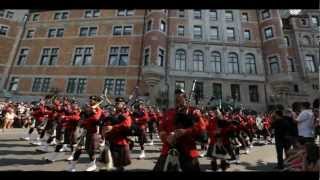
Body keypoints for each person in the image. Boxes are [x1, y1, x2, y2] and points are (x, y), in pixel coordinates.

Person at [153, 88, 206, 172]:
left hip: (188, 149)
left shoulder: (193, 112)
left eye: (180, 96)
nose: (177, 98)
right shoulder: (169, 112)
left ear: (185, 97)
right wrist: (166, 137)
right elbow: (161, 128)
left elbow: (201, 129)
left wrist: (185, 131)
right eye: (176, 96)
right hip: (169, 148)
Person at [67, 96, 102, 172]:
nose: (90, 101)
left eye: (92, 100)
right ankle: (72, 167)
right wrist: (78, 128)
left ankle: (93, 165)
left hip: (92, 132)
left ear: (96, 101)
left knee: (90, 151)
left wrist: (93, 111)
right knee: (78, 149)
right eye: (90, 99)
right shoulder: (86, 109)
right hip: (83, 131)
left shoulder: (98, 110)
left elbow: (96, 119)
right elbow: (80, 119)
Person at [100, 97, 132, 171]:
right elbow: (107, 123)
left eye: (119, 103)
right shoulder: (114, 114)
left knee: (119, 165)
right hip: (111, 141)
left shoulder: (126, 113)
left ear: (123, 104)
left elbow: (127, 124)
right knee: (108, 163)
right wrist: (104, 130)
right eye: (116, 103)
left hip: (121, 142)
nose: (116, 105)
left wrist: (113, 127)